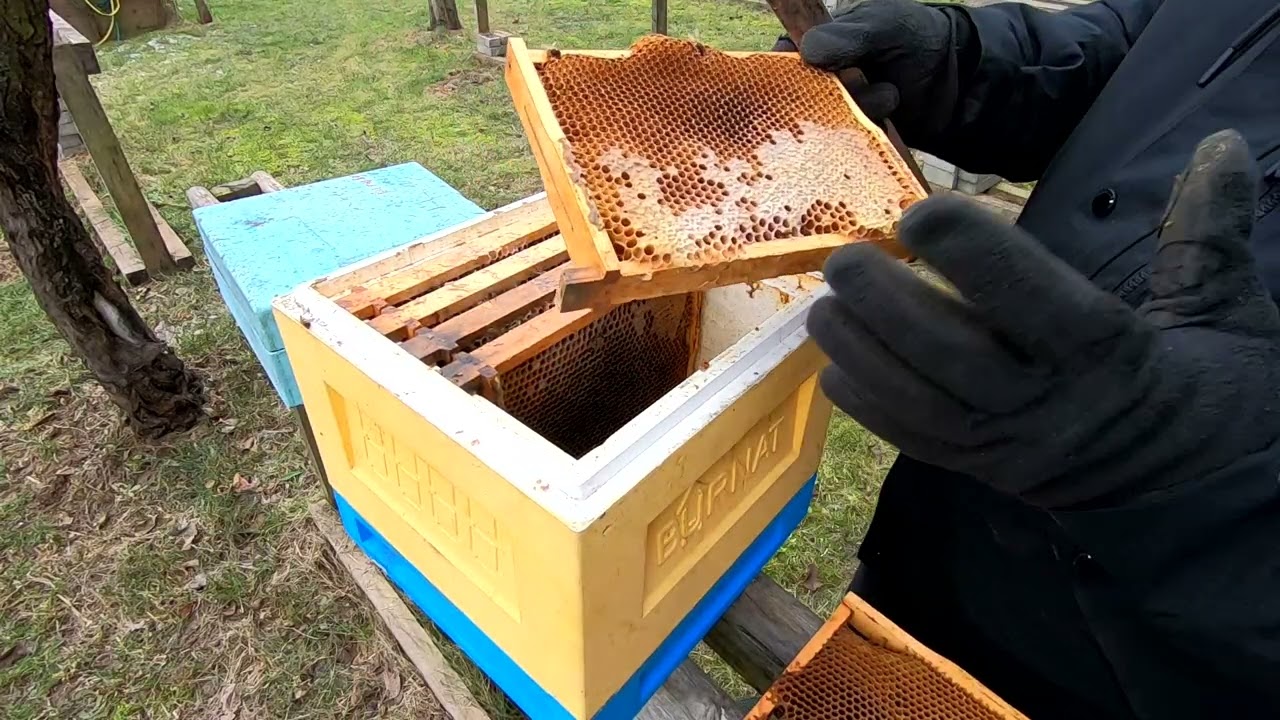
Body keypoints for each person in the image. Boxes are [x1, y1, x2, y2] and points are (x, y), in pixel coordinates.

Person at [775, 1, 1280, 718]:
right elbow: (1133, 49)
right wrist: (964, 63)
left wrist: (1227, 494)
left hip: (1155, 668)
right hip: (947, 534)